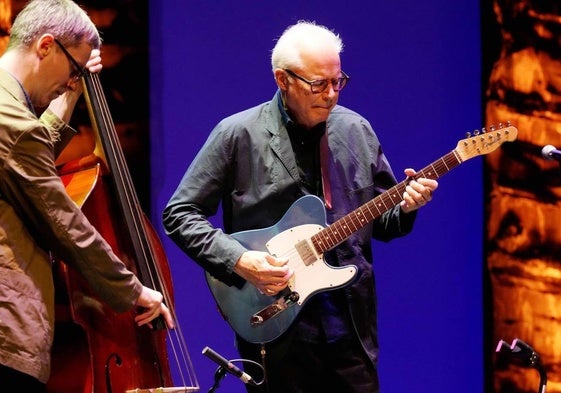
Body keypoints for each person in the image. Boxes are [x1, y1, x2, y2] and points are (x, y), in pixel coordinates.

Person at [163, 20, 438, 393]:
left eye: (337, 81)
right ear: (283, 79)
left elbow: (384, 223)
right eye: (318, 84)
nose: (330, 94)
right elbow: (179, 214)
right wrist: (241, 260)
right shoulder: (238, 134)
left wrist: (407, 206)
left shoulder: (356, 130)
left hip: (349, 327)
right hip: (275, 329)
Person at [0, 0, 173, 391]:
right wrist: (134, 289)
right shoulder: (12, 121)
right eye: (73, 70)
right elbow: (64, 222)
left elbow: (25, 158)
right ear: (46, 46)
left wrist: (70, 98)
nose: (71, 81)